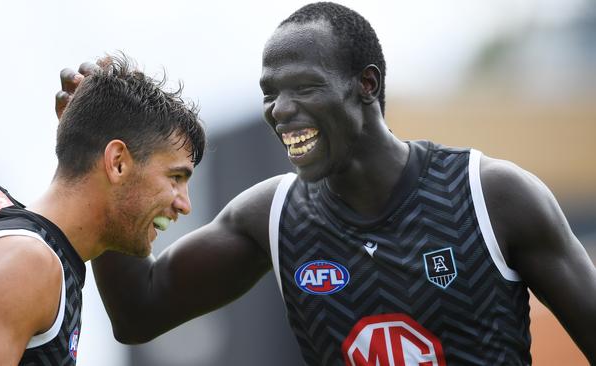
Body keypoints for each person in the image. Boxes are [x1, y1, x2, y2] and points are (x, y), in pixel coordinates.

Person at [57, 3, 596, 365]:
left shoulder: (491, 195)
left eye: (304, 88)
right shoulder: (272, 215)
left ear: (367, 84)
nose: (282, 111)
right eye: (270, 93)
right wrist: (104, 170)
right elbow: (139, 312)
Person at [0, 54, 205, 365]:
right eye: (175, 177)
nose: (184, 205)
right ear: (118, 162)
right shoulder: (26, 263)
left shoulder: (44, 258)